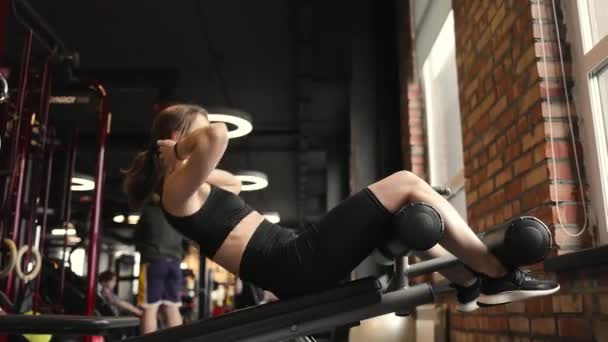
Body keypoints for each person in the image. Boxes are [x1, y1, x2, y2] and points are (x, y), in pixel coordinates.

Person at [122, 104, 559, 313]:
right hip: (290, 262)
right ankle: (496, 276)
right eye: (189, 137)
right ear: (178, 139)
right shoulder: (176, 189)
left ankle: (466, 280)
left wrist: (183, 151)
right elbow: (216, 135)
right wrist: (183, 147)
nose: (200, 146)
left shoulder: (189, 186)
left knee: (402, 197)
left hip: (290, 258)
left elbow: (231, 180)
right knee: (405, 182)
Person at [134, 197, 185, 334]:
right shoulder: (178, 214)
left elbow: (137, 237)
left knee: (150, 308)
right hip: (175, 264)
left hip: (154, 263)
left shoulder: (150, 212)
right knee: (172, 307)